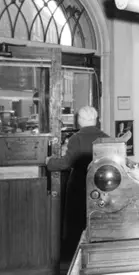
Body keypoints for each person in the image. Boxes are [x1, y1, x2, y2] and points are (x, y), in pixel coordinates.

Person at [46, 106, 108, 260]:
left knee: (77, 222)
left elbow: (65, 163)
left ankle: (76, 257)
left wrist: (49, 162)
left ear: (80, 120)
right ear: (96, 120)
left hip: (80, 185)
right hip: (101, 185)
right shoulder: (106, 137)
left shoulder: (76, 138)